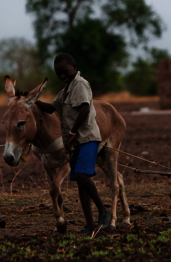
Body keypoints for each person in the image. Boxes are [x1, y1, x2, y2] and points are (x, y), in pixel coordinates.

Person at [35, 53, 111, 235]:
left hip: (87, 138)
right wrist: (32, 102)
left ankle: (103, 211)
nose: (62, 76)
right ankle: (90, 226)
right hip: (76, 142)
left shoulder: (80, 84)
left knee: (82, 176)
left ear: (74, 67)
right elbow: (52, 108)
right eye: (58, 74)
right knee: (80, 182)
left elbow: (85, 108)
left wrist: (72, 131)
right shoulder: (66, 90)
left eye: (65, 71)